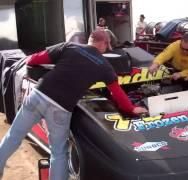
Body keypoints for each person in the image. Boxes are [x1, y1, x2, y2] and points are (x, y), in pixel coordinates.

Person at [0, 30, 148, 180]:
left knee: (14, 135)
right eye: (107, 45)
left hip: (38, 96)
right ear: (104, 43)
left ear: (90, 40)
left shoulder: (69, 46)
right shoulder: (104, 65)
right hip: (60, 108)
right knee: (58, 152)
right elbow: (117, 93)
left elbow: (32, 60)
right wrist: (132, 108)